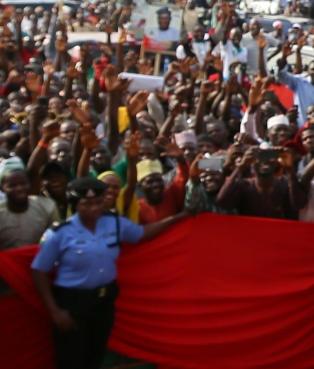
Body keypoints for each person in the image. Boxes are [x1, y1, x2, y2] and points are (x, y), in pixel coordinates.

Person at [30, 177, 187, 369]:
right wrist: (55, 311)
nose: (94, 208)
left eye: (98, 203)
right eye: (87, 204)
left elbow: (142, 233)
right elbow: (39, 270)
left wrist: (179, 217)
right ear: (75, 204)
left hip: (103, 302)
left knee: (95, 356)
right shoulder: (59, 233)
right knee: (71, 359)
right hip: (72, 303)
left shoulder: (114, 222)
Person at [0, 158, 59, 249]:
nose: (19, 188)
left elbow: (57, 239)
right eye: (12, 185)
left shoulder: (47, 207)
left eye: (23, 183)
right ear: (2, 188)